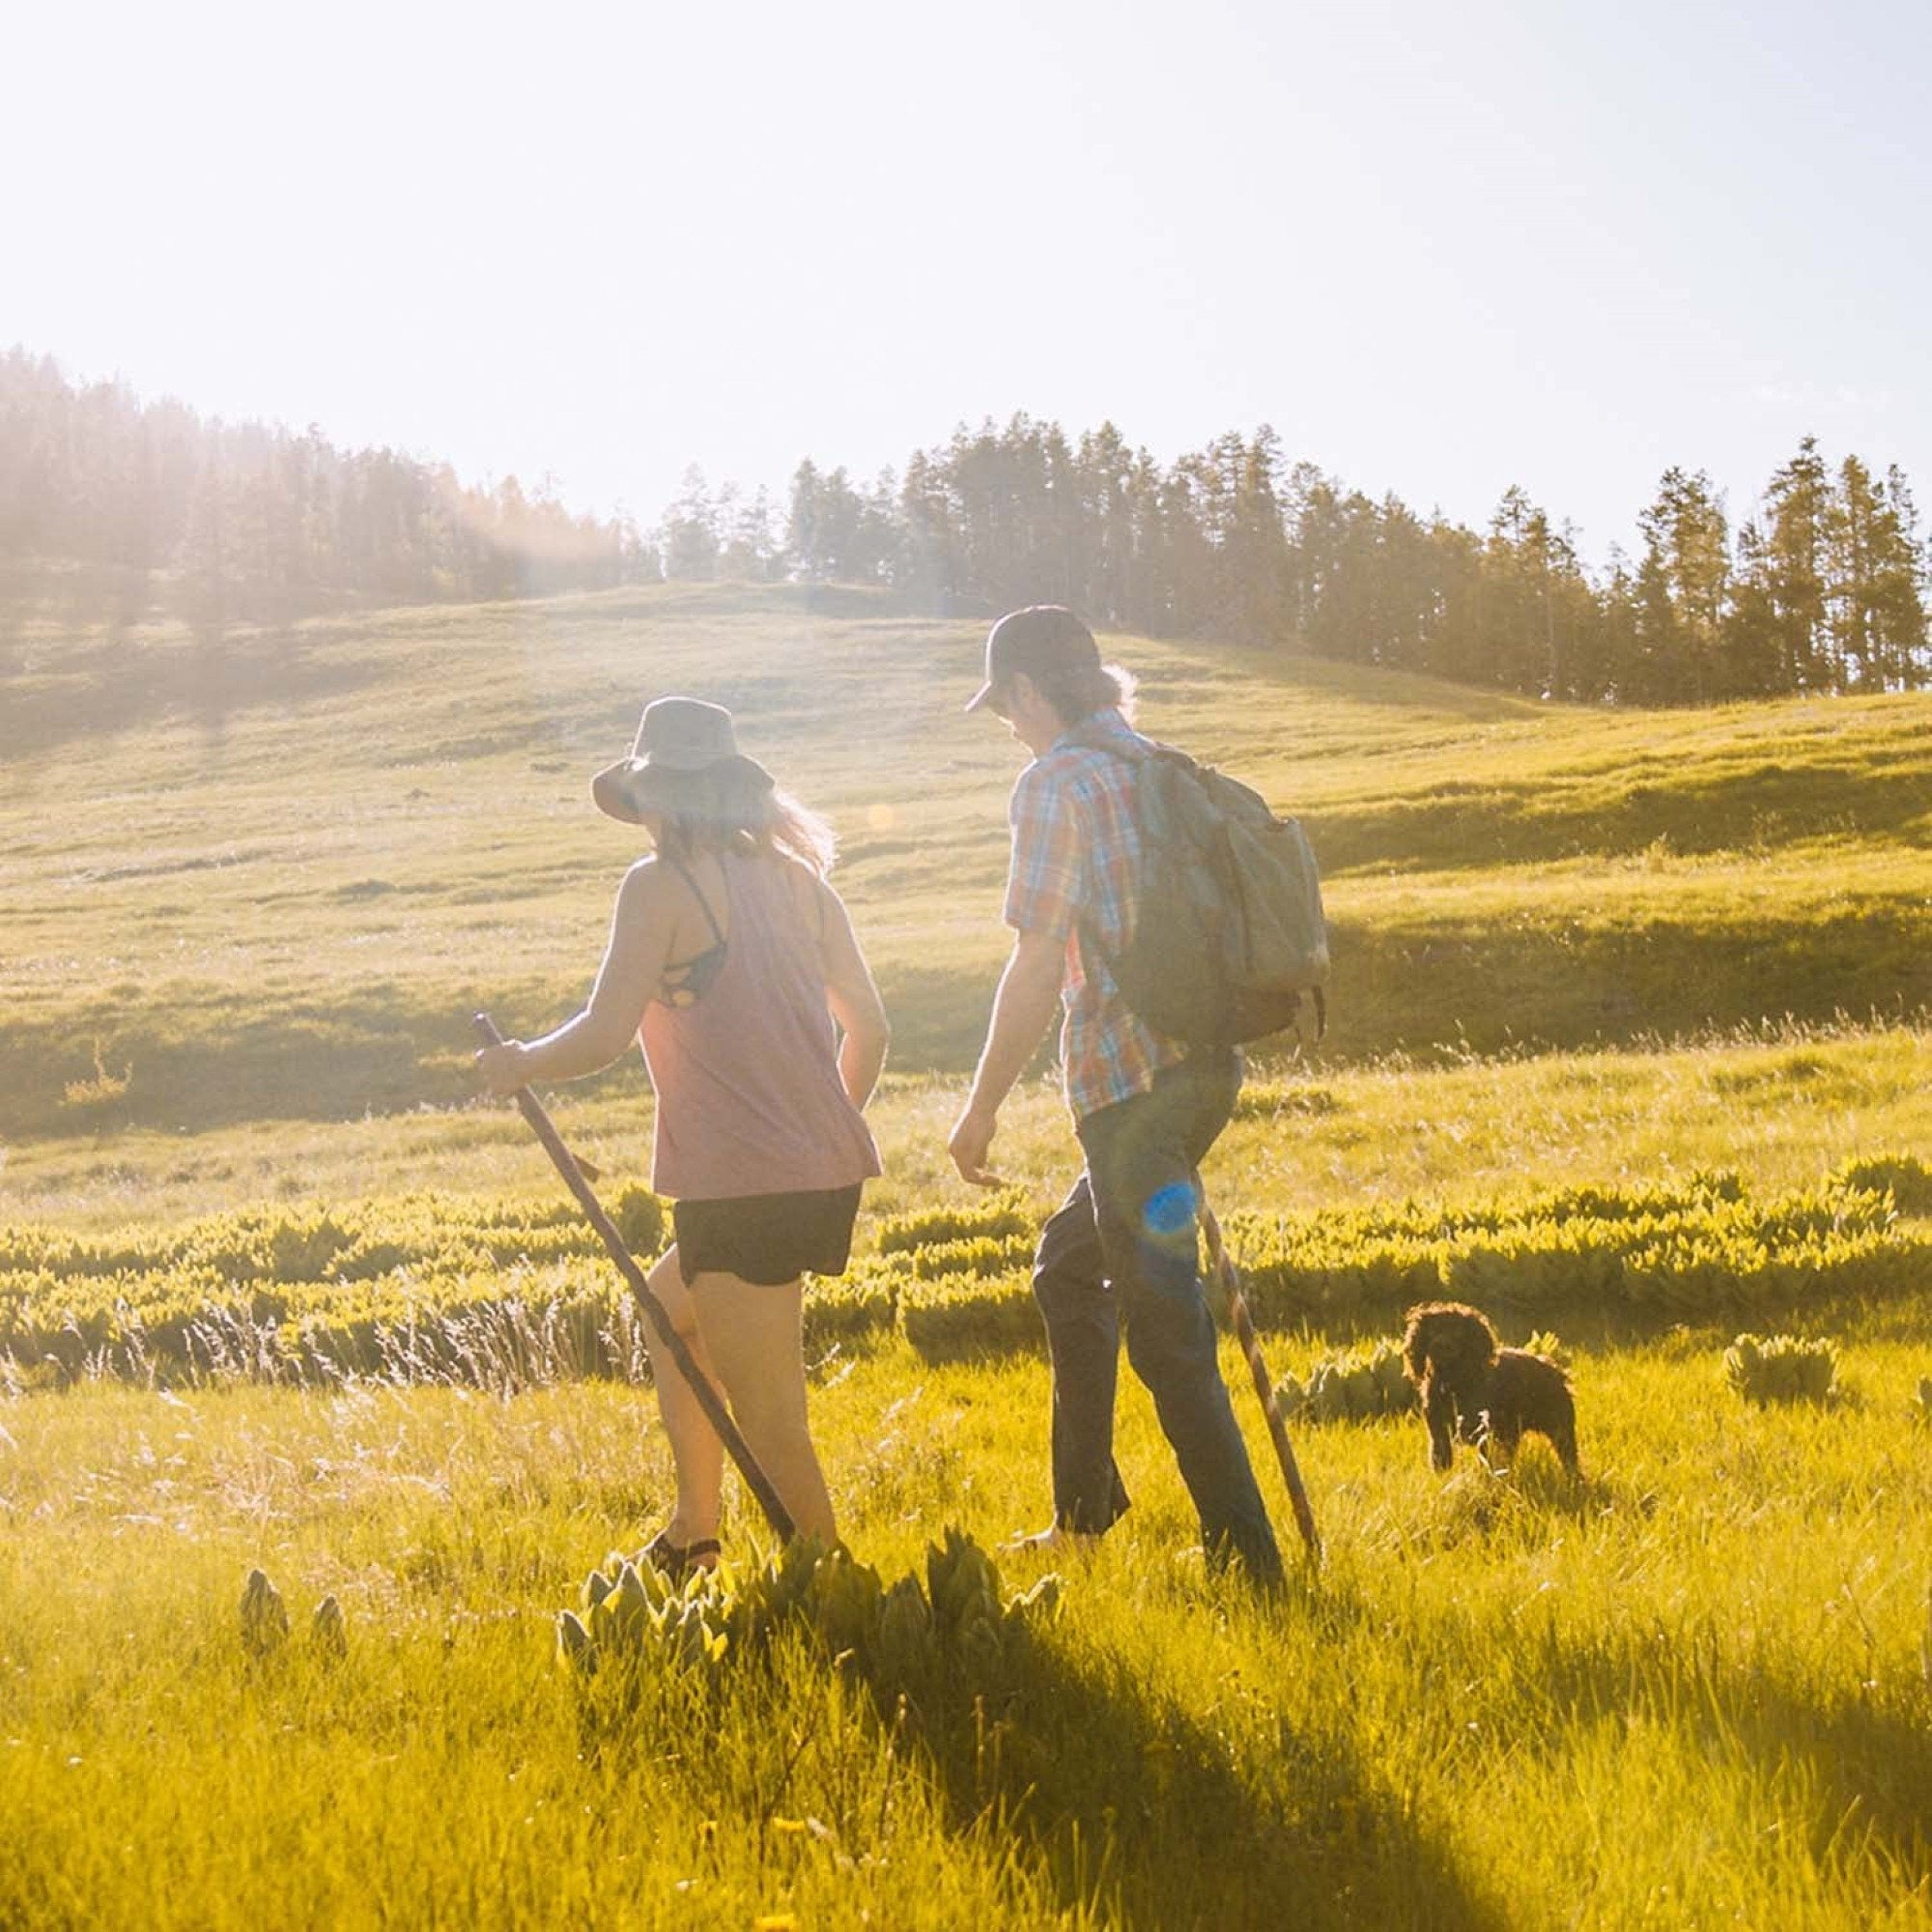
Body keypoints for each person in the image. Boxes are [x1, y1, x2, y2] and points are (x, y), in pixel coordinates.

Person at [477, 696, 888, 1574]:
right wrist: (818, 1134)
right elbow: (871, 1030)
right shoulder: (802, 885)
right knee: (671, 1313)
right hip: (820, 1173)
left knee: (770, 1412)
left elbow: (601, 1032)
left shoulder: (660, 886)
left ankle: (838, 1592)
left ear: (658, 796)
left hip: (742, 1186)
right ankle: (693, 1531)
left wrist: (517, 1062)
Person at [948, 607, 1282, 1583]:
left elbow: (1036, 958)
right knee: (1066, 1266)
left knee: (1168, 1335)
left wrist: (980, 1107)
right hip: (1206, 1066)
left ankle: (1248, 1564)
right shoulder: (1154, 763)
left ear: (1024, 691)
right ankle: (1084, 1511)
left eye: (1003, 705)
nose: (1006, 725)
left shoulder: (1054, 782)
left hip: (1127, 1089)